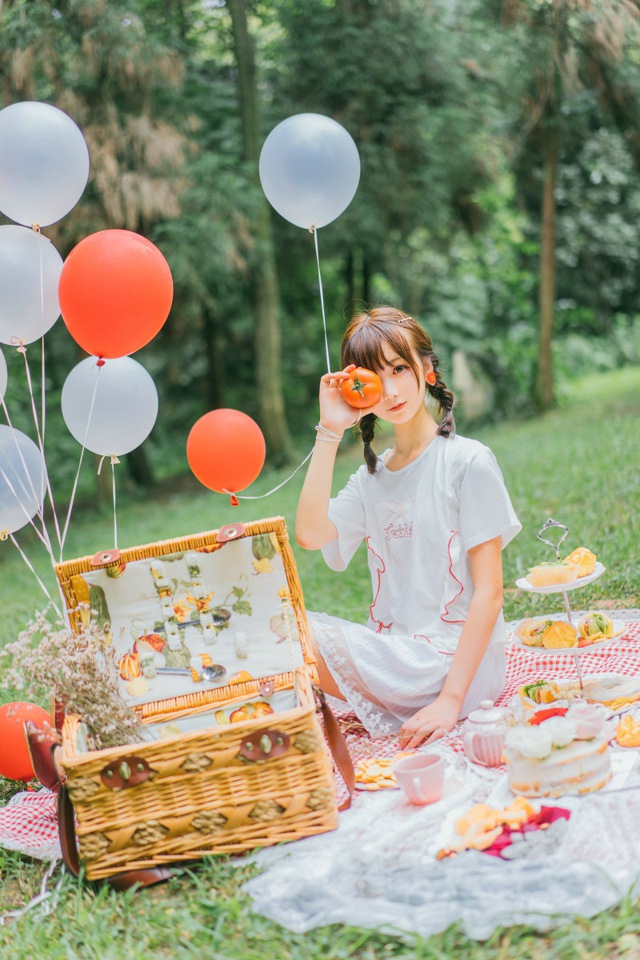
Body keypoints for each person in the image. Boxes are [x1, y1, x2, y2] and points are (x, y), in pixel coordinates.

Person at [295, 306, 521, 748]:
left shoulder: (467, 461)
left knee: (295, 637)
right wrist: (328, 430)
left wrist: (450, 702)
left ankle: (431, 700)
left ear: (428, 370)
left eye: (400, 368)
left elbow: (490, 593)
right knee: (284, 629)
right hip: (400, 661)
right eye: (377, 378)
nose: (393, 389)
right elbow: (309, 534)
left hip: (459, 670)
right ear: (361, 391)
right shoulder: (371, 480)